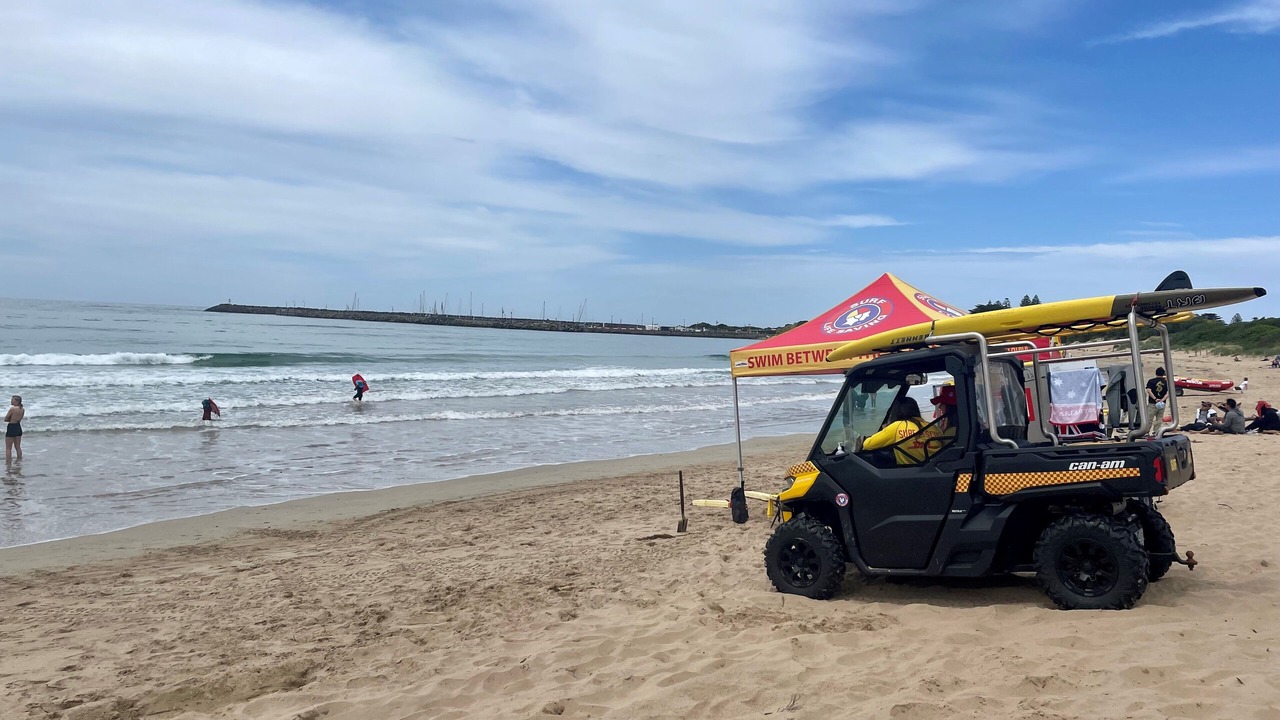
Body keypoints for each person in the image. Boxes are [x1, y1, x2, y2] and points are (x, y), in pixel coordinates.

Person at [859, 397, 943, 466]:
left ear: (896, 411)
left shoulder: (897, 426)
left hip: (908, 472)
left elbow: (867, 445)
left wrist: (886, 430)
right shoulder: (933, 427)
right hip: (934, 469)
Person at [1137, 367, 1169, 438]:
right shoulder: (1166, 382)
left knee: (1149, 418)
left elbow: (1149, 390)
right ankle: (1156, 432)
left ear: (1156, 373)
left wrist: (1155, 398)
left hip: (1152, 402)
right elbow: (1168, 393)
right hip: (1162, 403)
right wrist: (1162, 399)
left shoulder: (1151, 381)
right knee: (1159, 418)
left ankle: (1146, 432)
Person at [4, 395, 23, 463]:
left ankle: (8, 462)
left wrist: (10, 419)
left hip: (12, 427)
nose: (11, 401)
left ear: (17, 401)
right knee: (18, 446)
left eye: (12, 400)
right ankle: (19, 460)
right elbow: (20, 419)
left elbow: (6, 419)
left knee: (8, 448)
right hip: (18, 426)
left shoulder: (13, 409)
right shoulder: (22, 409)